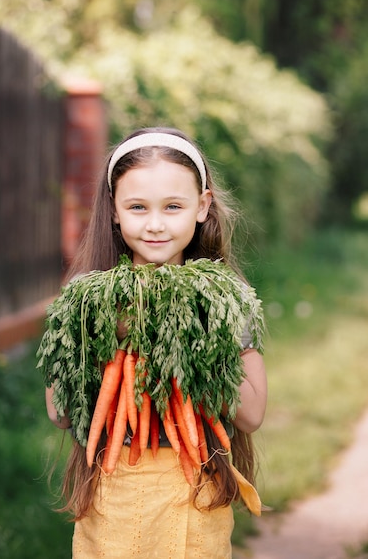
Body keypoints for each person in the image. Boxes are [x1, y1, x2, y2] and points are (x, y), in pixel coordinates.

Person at [41, 127, 267, 558]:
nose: (156, 224)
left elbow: (252, 414)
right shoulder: (89, 297)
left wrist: (195, 340)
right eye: (138, 207)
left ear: (202, 207)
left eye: (173, 206)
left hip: (195, 490)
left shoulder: (223, 297)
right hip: (112, 490)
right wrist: (107, 337)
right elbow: (60, 413)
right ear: (114, 211)